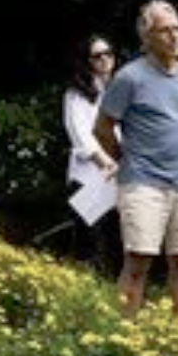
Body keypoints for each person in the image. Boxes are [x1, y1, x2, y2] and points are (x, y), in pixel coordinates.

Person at [95, 0, 178, 316]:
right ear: (147, 37)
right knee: (138, 260)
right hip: (143, 182)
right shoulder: (129, 78)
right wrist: (122, 158)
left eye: (177, 29)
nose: (174, 37)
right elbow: (102, 127)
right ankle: (123, 340)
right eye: (164, 30)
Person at [63, 36, 123, 273]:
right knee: (91, 242)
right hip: (90, 175)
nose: (105, 60)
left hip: (123, 171)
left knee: (119, 240)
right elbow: (80, 134)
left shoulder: (122, 89)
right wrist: (105, 162)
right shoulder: (77, 94)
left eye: (108, 53)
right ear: (87, 61)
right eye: (98, 56)